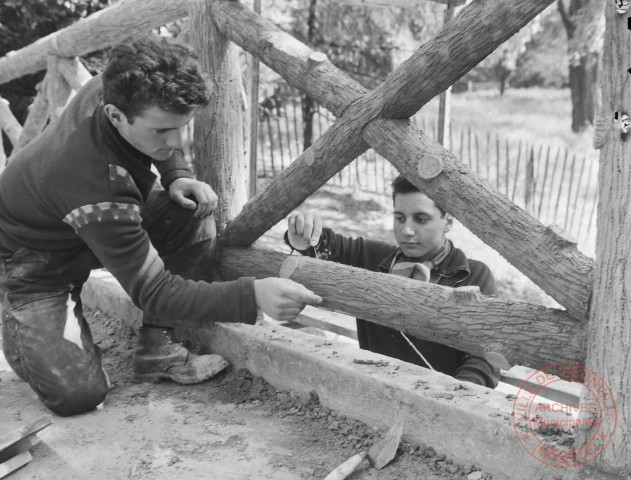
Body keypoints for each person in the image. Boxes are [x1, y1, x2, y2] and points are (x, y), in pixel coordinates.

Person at [0, 36, 321, 417]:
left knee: (192, 209)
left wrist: (176, 174)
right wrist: (253, 294)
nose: (174, 140)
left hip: (81, 219)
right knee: (77, 396)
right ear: (116, 115)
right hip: (34, 260)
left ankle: (158, 346)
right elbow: (154, 291)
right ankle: (20, 320)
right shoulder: (97, 185)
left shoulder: (123, 86)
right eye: (161, 133)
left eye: (181, 127)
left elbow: (167, 127)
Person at [284, 175, 500, 388]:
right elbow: (326, 246)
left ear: (448, 221)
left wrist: (457, 393)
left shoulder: (473, 276)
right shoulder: (375, 260)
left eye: (421, 219)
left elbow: (485, 357)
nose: (406, 230)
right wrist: (304, 234)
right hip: (373, 393)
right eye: (400, 218)